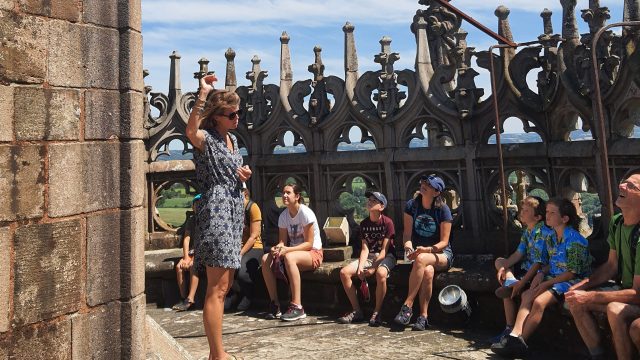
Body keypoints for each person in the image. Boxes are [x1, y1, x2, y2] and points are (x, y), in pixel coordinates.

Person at [185, 73, 251, 360]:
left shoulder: (231, 141)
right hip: (217, 213)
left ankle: (217, 352)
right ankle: (217, 354)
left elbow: (232, 173)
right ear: (216, 117)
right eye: (231, 114)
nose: (237, 118)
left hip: (233, 212)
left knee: (223, 287)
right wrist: (203, 94)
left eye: (238, 113)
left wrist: (243, 176)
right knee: (217, 287)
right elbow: (190, 131)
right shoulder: (207, 140)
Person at [491, 197, 591, 358]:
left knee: (539, 301)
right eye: (547, 212)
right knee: (526, 294)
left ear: (564, 219)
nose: (548, 216)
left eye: (552, 213)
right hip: (553, 277)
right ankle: (514, 336)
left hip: (571, 281)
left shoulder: (575, 240)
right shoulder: (552, 238)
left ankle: (521, 339)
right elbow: (549, 262)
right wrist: (541, 273)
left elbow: (573, 272)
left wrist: (546, 283)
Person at [565, 173, 640, 360]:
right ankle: (598, 355)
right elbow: (611, 266)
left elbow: (638, 294)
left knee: (615, 309)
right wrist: (582, 287)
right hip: (628, 291)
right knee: (576, 302)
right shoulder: (618, 222)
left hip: (636, 296)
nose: (622, 186)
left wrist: (590, 295)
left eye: (631, 186)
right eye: (624, 182)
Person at [393, 174, 453, 330]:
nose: (424, 185)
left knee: (422, 260)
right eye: (424, 182)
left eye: (429, 184)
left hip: (442, 254)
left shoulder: (443, 210)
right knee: (428, 271)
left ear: (437, 192)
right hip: (421, 255)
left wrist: (426, 250)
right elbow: (407, 235)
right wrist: (408, 246)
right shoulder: (411, 206)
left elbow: (444, 242)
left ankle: (407, 306)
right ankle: (423, 317)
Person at [490, 196, 551, 342]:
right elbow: (518, 254)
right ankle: (510, 280)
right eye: (522, 209)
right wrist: (504, 267)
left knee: (508, 288)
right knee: (500, 262)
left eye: (526, 210)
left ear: (537, 217)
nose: (521, 212)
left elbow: (538, 263)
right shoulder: (528, 231)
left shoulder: (541, 232)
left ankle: (509, 328)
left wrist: (522, 282)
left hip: (535, 273)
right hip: (525, 268)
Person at [261, 183, 323, 321]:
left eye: (288, 193)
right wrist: (277, 248)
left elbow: (309, 244)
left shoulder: (306, 213)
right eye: (283, 193)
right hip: (294, 253)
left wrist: (287, 250)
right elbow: (282, 241)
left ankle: (297, 306)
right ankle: (274, 304)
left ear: (297, 196)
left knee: (289, 258)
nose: (284, 195)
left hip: (313, 253)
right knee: (266, 259)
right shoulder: (283, 216)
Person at [338, 191, 396, 326]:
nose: (369, 201)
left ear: (381, 206)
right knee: (344, 273)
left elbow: (384, 251)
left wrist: (372, 268)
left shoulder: (388, 223)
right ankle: (357, 311)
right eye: (369, 199)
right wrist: (360, 267)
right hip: (370, 256)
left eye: (374, 200)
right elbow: (365, 249)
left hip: (387, 257)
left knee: (381, 273)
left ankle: (377, 312)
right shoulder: (364, 224)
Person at [225, 184, 263, 311]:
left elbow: (253, 236)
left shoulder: (252, 208)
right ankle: (234, 293)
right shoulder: (232, 209)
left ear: (245, 195)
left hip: (254, 247)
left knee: (241, 271)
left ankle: (248, 295)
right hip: (237, 247)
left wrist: (240, 253)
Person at [172, 194, 203, 311]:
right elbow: (186, 239)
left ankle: (191, 299)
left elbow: (204, 243)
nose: (198, 207)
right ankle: (183, 297)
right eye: (196, 205)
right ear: (193, 207)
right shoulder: (192, 220)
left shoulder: (207, 221)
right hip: (191, 252)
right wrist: (185, 257)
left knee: (193, 266)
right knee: (179, 267)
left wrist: (193, 259)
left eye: (201, 204)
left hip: (202, 253)